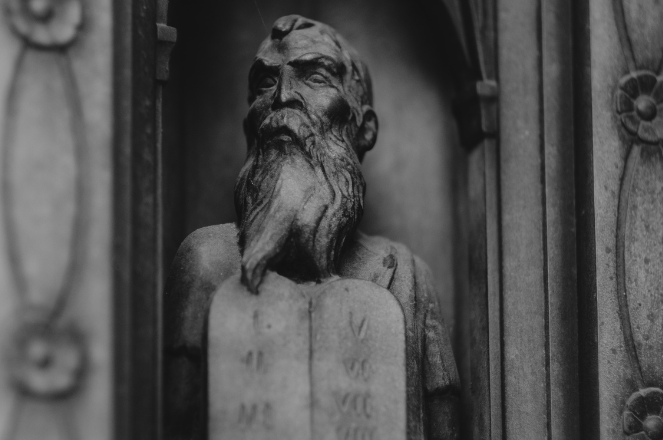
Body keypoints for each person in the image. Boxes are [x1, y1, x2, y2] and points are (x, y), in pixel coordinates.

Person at [163, 15, 460, 440]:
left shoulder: (405, 276)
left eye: (314, 77)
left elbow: (443, 423)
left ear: (365, 127)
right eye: (265, 84)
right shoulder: (207, 261)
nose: (283, 97)